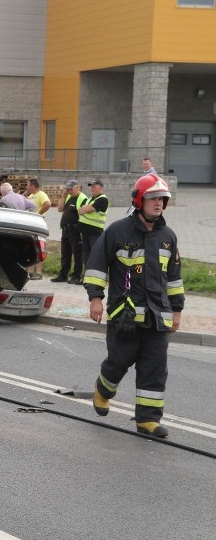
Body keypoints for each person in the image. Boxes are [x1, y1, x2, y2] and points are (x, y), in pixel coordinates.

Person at [84, 173, 183, 438]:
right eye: (152, 198)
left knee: (154, 369)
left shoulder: (168, 237)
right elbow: (95, 266)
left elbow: (174, 278)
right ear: (140, 200)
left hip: (157, 317)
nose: (158, 203)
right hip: (124, 316)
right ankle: (103, 391)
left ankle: (148, 420)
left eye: (162, 198)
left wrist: (177, 310)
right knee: (118, 362)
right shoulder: (117, 231)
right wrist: (95, 299)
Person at [51, 179, 88, 283]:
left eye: (71, 189)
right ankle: (63, 275)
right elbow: (60, 209)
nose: (69, 191)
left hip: (75, 230)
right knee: (65, 254)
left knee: (77, 254)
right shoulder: (68, 196)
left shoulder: (82, 198)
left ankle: (76, 275)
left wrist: (81, 232)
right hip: (66, 230)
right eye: (67, 189)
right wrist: (63, 195)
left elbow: (83, 216)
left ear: (77, 187)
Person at [77, 179, 110, 274]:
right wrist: (85, 209)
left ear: (100, 188)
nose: (91, 189)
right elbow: (80, 210)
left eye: (94, 187)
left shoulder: (103, 199)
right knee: (86, 254)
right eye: (91, 187)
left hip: (95, 232)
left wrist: (86, 209)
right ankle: (87, 274)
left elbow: (87, 209)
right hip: (86, 231)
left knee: (95, 254)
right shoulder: (90, 199)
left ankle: (96, 274)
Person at [24, 178, 51, 280]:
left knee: (39, 247)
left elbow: (47, 204)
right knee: (31, 247)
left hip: (38, 223)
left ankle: (38, 272)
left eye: (28, 185)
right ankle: (30, 271)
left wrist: (38, 214)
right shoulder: (31, 196)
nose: (26, 187)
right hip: (31, 224)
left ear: (32, 186)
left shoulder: (41, 194)